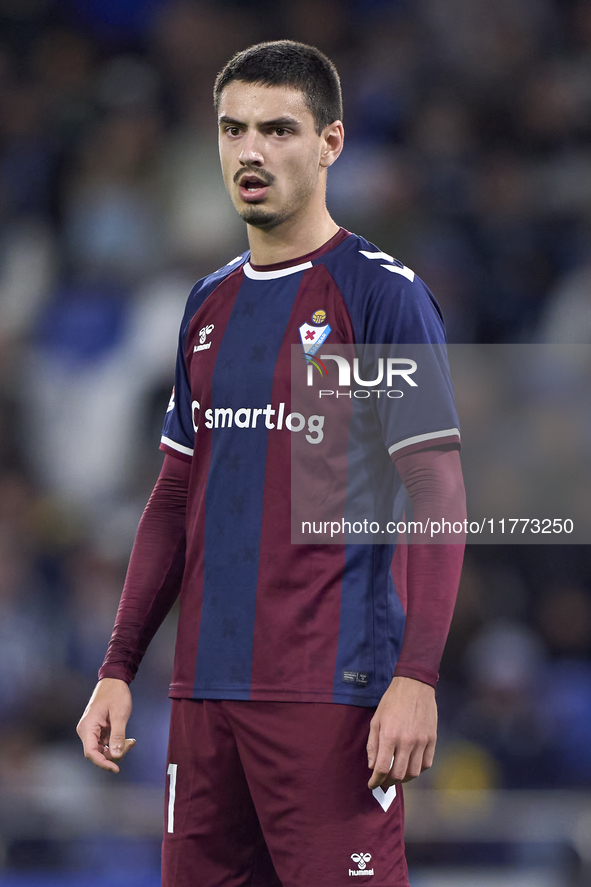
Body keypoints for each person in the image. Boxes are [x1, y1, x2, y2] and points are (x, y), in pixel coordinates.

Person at [77, 40, 466, 887]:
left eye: (279, 129)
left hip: (331, 697)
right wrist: (117, 668)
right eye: (233, 129)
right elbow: (176, 496)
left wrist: (417, 678)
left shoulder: (376, 293)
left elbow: (435, 490)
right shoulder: (206, 303)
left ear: (330, 143)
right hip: (202, 699)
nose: (250, 151)